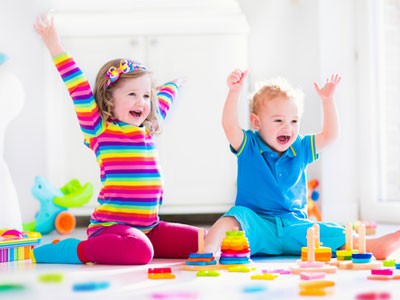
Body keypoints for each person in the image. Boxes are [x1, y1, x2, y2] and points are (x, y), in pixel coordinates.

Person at [32, 15, 201, 265]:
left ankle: (140, 243)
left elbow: (164, 97)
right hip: (111, 227)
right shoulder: (99, 128)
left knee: (204, 240)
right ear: (109, 99)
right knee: (140, 251)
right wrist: (55, 46)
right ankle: (75, 250)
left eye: (145, 95)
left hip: (149, 228)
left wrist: (178, 82)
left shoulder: (149, 126)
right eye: (132, 94)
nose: (141, 102)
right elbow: (77, 86)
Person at [203, 69, 400, 260]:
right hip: (256, 225)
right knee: (233, 218)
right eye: (278, 120)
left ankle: (372, 246)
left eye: (294, 121)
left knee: (332, 232)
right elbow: (229, 126)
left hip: (295, 226)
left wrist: (327, 101)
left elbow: (330, 135)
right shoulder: (249, 145)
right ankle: (209, 250)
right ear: (256, 122)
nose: (288, 127)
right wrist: (234, 92)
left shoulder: (302, 147)